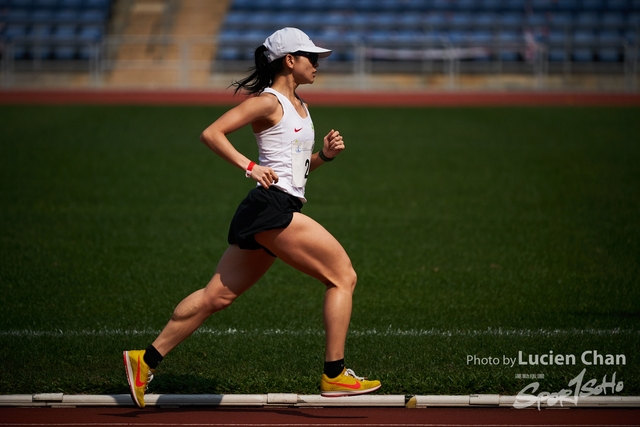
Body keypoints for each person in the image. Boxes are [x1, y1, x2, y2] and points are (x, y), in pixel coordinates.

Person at [123, 27, 381, 408]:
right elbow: (212, 133)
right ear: (289, 61)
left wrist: (323, 157)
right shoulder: (268, 102)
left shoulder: (302, 107)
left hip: (274, 206)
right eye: (311, 57)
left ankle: (144, 361)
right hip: (271, 207)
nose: (318, 64)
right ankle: (334, 374)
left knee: (217, 296)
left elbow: (293, 171)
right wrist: (249, 166)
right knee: (343, 276)